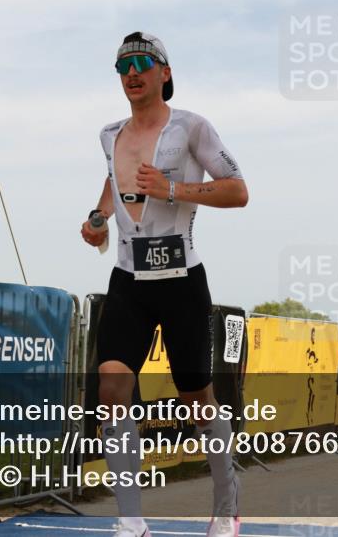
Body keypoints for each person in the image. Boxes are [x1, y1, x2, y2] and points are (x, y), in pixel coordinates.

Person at [81, 32, 248, 537]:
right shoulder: (109, 134)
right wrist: (98, 217)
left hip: (181, 282)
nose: (132, 73)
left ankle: (226, 507)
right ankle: (131, 517)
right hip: (129, 280)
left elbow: (238, 190)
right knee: (113, 385)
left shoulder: (192, 127)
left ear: (164, 73)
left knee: (197, 397)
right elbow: (114, 179)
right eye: (123, 66)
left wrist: (172, 188)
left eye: (142, 63)